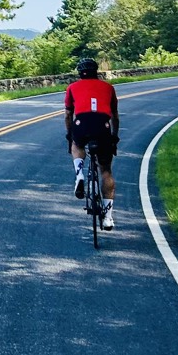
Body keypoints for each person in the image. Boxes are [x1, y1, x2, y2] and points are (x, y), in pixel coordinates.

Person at [65, 57, 118, 231]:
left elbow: (68, 115)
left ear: (80, 73)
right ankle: (108, 218)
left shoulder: (72, 88)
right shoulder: (109, 88)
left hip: (82, 124)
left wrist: (70, 135)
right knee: (106, 170)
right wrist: (114, 138)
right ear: (97, 72)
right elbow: (115, 117)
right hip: (102, 126)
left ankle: (79, 174)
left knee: (77, 145)